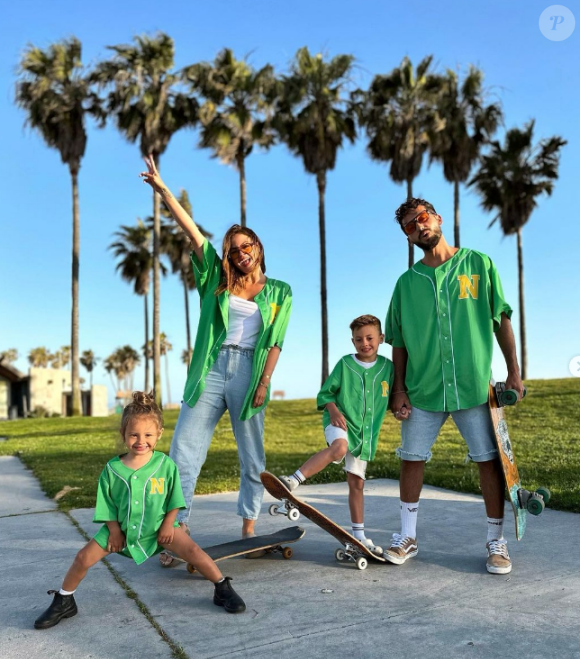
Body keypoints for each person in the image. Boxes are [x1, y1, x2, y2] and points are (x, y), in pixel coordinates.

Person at [139, 156, 292, 565]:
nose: (242, 253)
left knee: (252, 454)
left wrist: (263, 382)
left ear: (258, 247)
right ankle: (175, 531)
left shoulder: (280, 291)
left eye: (247, 245)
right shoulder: (215, 279)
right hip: (210, 369)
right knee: (184, 451)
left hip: (250, 372)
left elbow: (275, 341)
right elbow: (193, 232)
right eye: (234, 248)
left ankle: (249, 529)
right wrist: (163, 189)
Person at [384, 198, 525, 575]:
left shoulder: (479, 264)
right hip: (423, 388)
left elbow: (501, 320)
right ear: (409, 238)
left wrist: (514, 371)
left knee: (488, 461)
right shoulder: (406, 284)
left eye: (423, 218)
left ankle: (497, 541)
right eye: (410, 227)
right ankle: (407, 536)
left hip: (472, 387)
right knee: (411, 457)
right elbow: (398, 341)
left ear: (438, 218)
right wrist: (398, 389)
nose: (419, 227)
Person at [34, 392, 245, 629]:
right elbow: (107, 504)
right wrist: (114, 531)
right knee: (82, 558)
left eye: (147, 435)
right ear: (123, 434)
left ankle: (221, 587)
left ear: (159, 434)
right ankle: (65, 600)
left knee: (194, 551)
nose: (140, 440)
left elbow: (175, 499)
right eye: (133, 434)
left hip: (160, 528)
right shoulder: (112, 469)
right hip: (120, 532)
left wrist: (169, 524)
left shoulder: (165, 465)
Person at [280, 315, 394, 554]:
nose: (365, 343)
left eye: (370, 338)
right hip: (339, 420)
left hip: (364, 435)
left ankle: (359, 535)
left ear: (381, 338)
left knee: (357, 484)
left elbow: (391, 398)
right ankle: (293, 480)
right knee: (339, 448)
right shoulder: (345, 364)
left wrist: (401, 407)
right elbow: (326, 394)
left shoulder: (388, 368)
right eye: (359, 339)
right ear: (352, 342)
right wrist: (332, 411)